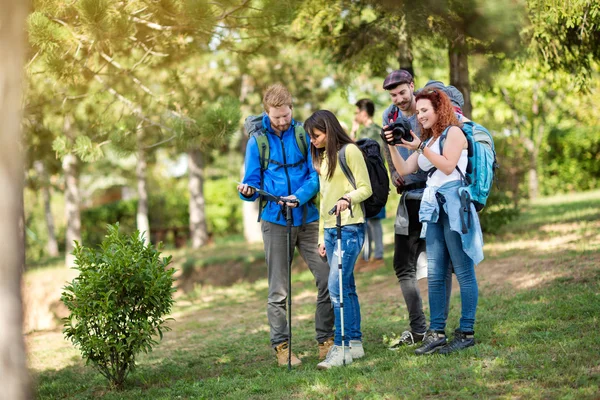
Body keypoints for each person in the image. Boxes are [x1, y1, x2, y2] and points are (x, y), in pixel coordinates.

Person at [237, 84, 334, 367]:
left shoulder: (305, 134)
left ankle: (325, 341)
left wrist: (299, 197)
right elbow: (252, 181)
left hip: (308, 218)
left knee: (327, 277)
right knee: (278, 291)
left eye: (286, 115)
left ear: (291, 107)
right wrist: (247, 191)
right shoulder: (257, 142)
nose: (282, 121)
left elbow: (315, 175)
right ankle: (282, 347)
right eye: (277, 117)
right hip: (275, 222)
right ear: (267, 112)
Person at [384, 88, 484, 355]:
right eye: (418, 112)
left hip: (454, 204)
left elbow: (449, 166)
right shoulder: (430, 139)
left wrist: (419, 147)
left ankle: (466, 331)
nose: (420, 115)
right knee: (436, 272)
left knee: (462, 270)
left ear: (440, 109)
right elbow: (405, 170)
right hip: (434, 208)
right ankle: (436, 332)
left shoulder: (454, 133)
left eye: (424, 110)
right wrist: (393, 145)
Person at [304, 110, 372, 369]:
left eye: (317, 135)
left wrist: (348, 199)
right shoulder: (323, 157)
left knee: (336, 288)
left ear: (329, 131)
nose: (313, 141)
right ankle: (355, 344)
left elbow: (366, 188)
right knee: (347, 287)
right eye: (311, 137)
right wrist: (322, 235)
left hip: (350, 228)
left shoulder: (350, 152)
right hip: (332, 232)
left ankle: (341, 346)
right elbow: (324, 200)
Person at [381, 70, 433, 348]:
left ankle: (434, 328)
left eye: (402, 92)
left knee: (436, 264)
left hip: (432, 197)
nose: (399, 99)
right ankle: (420, 328)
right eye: (393, 95)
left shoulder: (426, 110)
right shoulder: (389, 117)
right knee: (403, 266)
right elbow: (391, 155)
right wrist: (394, 177)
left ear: (412, 87)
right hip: (408, 198)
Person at [351, 99, 387, 266]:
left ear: (364, 113)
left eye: (356, 112)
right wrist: (353, 131)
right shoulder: (360, 132)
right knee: (365, 219)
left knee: (375, 220)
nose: (355, 116)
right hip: (361, 182)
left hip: (374, 181)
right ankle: (367, 257)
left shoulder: (374, 132)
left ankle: (377, 256)